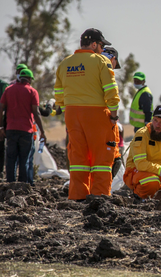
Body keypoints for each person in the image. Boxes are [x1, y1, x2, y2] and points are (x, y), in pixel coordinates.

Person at [54, 28, 120, 201]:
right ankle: (100, 196)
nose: (101, 49)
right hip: (96, 114)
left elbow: (59, 93)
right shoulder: (100, 62)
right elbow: (111, 91)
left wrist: (62, 105)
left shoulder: (65, 63)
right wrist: (113, 115)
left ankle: (77, 196)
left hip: (71, 114)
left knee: (78, 157)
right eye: (100, 45)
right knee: (102, 157)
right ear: (93, 44)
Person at [123, 105, 161, 199]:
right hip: (136, 172)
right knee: (152, 181)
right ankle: (138, 196)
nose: (157, 125)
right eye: (155, 120)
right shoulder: (142, 134)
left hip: (159, 173)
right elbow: (141, 164)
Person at [0, 68, 46, 183]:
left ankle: (10, 184)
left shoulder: (8, 90)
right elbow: (36, 113)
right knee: (24, 159)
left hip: (10, 129)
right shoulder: (32, 92)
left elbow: (1, 108)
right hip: (26, 130)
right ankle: (23, 185)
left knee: (10, 158)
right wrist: (43, 132)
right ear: (30, 79)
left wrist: (1, 127)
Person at [102, 46, 124, 177]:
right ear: (113, 59)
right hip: (104, 118)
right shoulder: (106, 68)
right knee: (113, 159)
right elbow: (112, 97)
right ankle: (103, 190)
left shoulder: (90, 65)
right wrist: (114, 117)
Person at [0, 78, 9, 179]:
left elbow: (3, 107)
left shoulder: (3, 85)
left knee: (1, 147)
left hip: (4, 122)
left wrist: (1, 126)